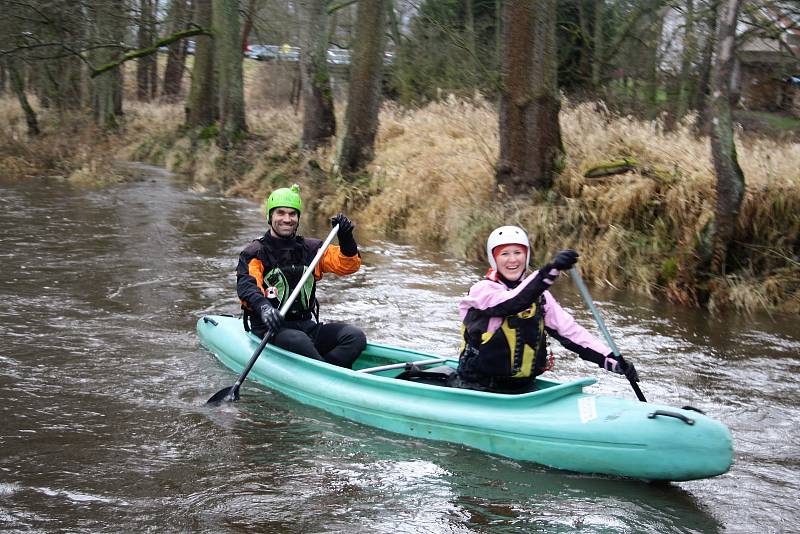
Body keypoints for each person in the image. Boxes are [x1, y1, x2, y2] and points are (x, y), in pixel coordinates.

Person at [448, 225, 639, 393]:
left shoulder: (540, 297)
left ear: (526, 256)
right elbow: (512, 302)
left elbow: (571, 333)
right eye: (504, 254)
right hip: (477, 387)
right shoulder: (482, 291)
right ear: (494, 260)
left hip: (523, 388)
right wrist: (551, 270)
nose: (512, 260)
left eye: (518, 253)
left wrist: (611, 360)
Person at [236, 184, 366, 368]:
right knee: (298, 341)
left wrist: (346, 238)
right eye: (280, 213)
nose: (287, 219)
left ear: (298, 218)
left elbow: (348, 265)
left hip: (306, 324)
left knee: (354, 336)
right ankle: (328, 372)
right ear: (270, 216)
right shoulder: (255, 252)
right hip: (270, 329)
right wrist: (264, 309)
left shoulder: (312, 249)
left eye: (292, 214)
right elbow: (247, 287)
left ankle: (327, 370)